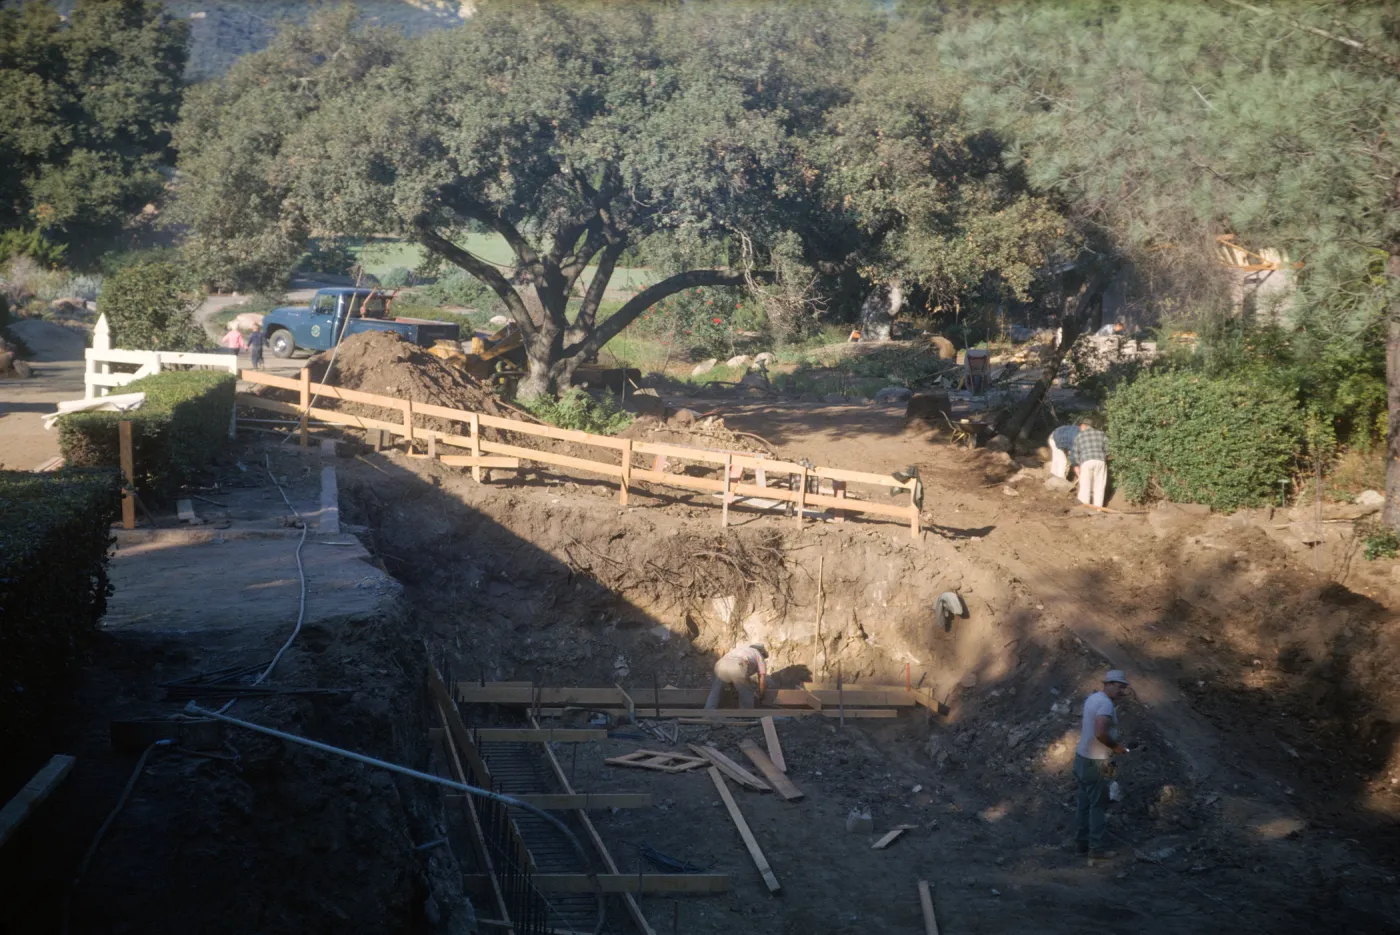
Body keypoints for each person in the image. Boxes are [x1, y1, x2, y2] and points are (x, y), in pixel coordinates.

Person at [1074, 669, 1130, 861]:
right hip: (1096, 761)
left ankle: (1081, 844)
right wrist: (1118, 748)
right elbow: (1100, 733)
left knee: (1083, 803)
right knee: (1098, 805)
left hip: (1081, 757)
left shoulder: (1093, 698)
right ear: (1109, 684)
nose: (1122, 691)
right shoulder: (1106, 705)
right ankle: (1096, 849)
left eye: (1124, 688)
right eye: (1119, 687)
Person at [704, 643, 767, 709]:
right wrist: (761, 695)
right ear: (762, 652)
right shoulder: (759, 655)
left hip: (721, 663)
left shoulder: (740, 650)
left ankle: (708, 714)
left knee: (716, 691)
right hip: (738, 664)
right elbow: (762, 680)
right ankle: (746, 717)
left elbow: (731, 672)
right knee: (746, 693)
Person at [1070, 420, 1109, 507]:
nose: (1080, 428)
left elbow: (1075, 452)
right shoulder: (1101, 434)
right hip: (1100, 460)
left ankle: (1084, 507)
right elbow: (1108, 448)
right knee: (1099, 486)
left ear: (1084, 426)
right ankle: (1098, 508)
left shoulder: (1079, 436)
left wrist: (1077, 464)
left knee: (1085, 486)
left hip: (1086, 461)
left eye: (1080, 426)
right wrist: (1104, 456)